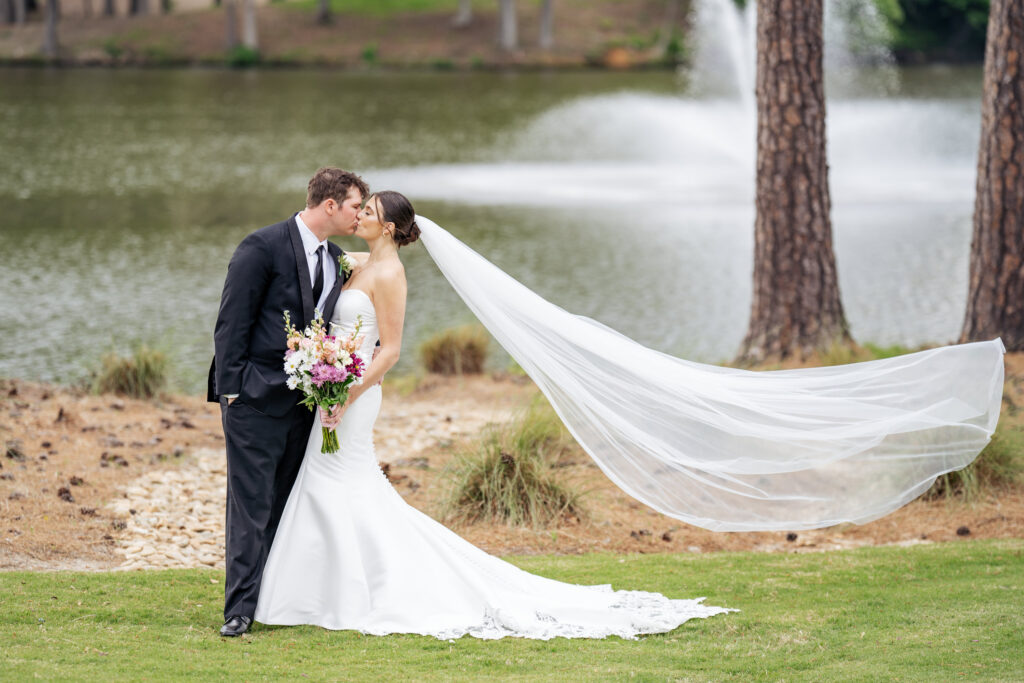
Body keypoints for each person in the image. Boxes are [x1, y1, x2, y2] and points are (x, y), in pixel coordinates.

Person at [253, 191, 734, 639]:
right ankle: (318, 591)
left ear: (392, 229)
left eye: (370, 212)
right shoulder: (353, 262)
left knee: (342, 480)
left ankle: (348, 591)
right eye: (362, 208)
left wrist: (347, 395)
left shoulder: (391, 275)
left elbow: (392, 351)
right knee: (326, 479)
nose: (359, 215)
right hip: (333, 391)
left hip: (354, 396)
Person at [208, 167, 369, 637]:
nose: (360, 213)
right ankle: (237, 609)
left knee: (285, 503)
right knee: (250, 505)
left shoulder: (335, 257)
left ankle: (270, 600)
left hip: (304, 405)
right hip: (253, 399)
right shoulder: (261, 247)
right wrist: (232, 391)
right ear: (331, 205)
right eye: (356, 205)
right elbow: (230, 323)